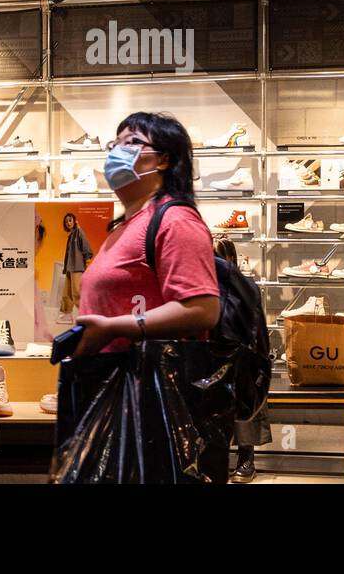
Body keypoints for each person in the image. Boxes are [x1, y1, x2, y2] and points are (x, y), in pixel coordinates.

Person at [56, 112, 224, 480]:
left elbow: (203, 309)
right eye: (114, 143)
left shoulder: (176, 221)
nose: (117, 151)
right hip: (113, 387)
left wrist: (114, 327)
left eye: (132, 142)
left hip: (149, 394)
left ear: (163, 158)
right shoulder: (124, 226)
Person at [217, 236, 271, 483]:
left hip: (240, 354)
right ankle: (221, 455)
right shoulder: (203, 286)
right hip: (214, 353)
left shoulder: (245, 287)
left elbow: (257, 324)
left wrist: (259, 354)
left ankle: (246, 455)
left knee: (243, 392)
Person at [56, 212, 94, 323]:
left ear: (74, 221)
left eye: (70, 220)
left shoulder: (79, 232)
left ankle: (87, 315)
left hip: (77, 267)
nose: (68, 223)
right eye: (66, 221)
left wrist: (87, 264)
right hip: (69, 268)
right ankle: (67, 315)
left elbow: (87, 248)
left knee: (76, 292)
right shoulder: (71, 235)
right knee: (66, 293)